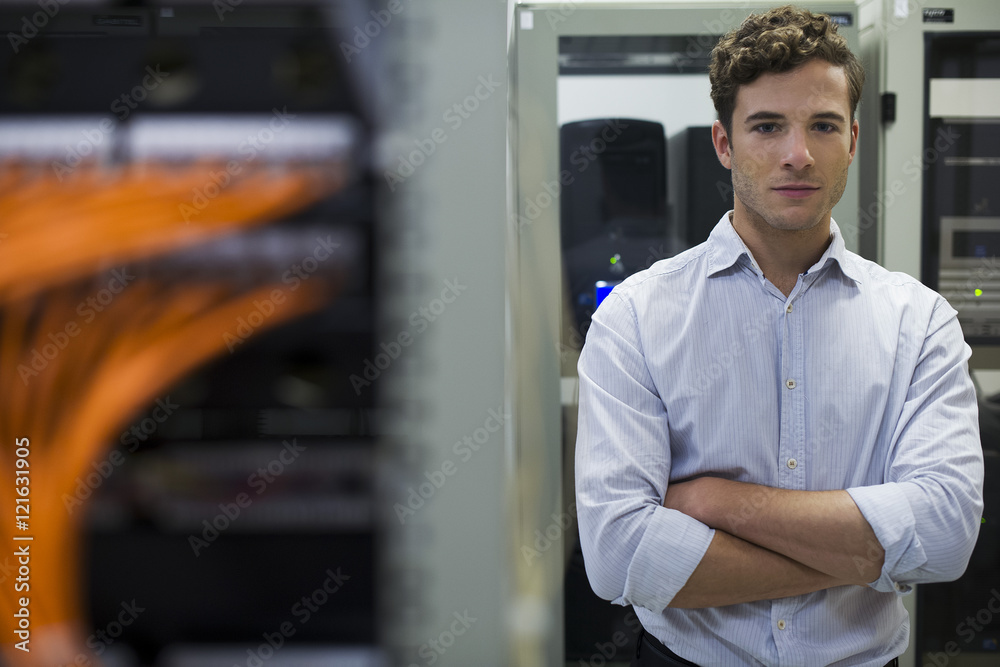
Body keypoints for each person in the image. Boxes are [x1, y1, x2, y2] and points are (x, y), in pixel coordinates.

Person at [574, 5, 984, 666]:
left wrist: (717, 503)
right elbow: (620, 556)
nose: (798, 154)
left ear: (853, 138)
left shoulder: (919, 321)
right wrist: (863, 555)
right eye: (767, 126)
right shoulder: (638, 316)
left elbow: (945, 533)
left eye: (822, 125)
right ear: (724, 143)